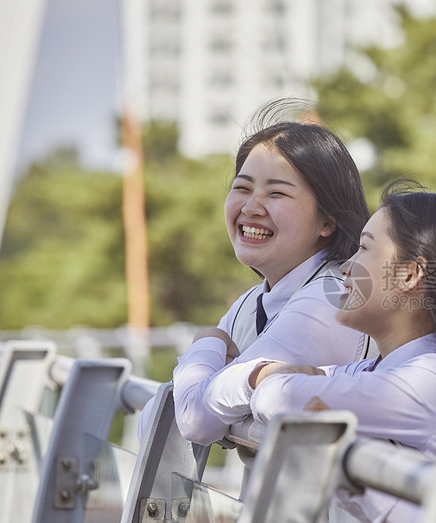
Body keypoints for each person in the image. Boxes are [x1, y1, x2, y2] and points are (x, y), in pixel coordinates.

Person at [206, 185, 436, 523]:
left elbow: (272, 399)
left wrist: (236, 363)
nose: (346, 266)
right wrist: (274, 378)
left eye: (365, 247)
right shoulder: (372, 369)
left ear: (411, 274)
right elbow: (223, 395)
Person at [139, 110, 374, 446]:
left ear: (327, 221)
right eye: (242, 188)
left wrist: (208, 342)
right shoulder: (251, 303)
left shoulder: (331, 299)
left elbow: (193, 419)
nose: (251, 207)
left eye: (276, 193)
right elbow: (154, 425)